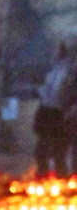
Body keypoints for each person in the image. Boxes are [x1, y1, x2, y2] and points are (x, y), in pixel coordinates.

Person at [34, 43, 77, 176]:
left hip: (62, 114)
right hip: (49, 113)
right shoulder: (52, 70)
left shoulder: (69, 70)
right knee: (44, 151)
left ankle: (62, 180)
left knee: (59, 152)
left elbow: (66, 92)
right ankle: (45, 177)